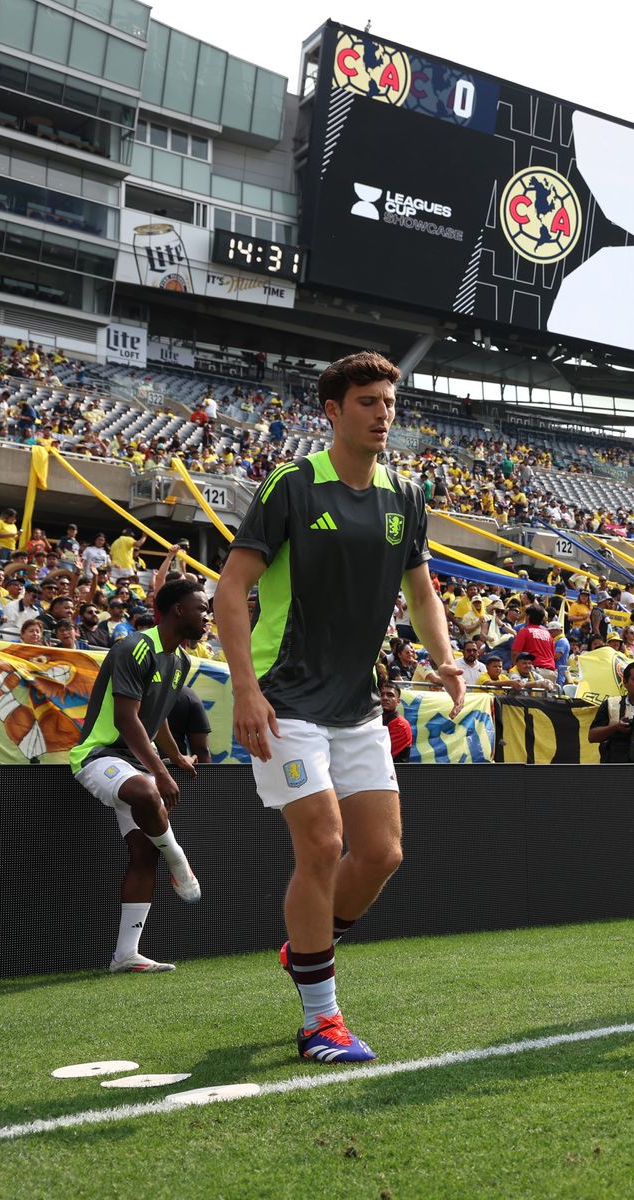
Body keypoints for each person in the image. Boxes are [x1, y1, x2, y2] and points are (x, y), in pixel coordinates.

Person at [215, 350, 465, 1065]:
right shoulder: (293, 485)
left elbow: (422, 592)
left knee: (382, 854)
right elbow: (232, 590)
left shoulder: (405, 495)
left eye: (389, 403)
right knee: (323, 845)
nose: (383, 414)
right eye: (368, 403)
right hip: (285, 694)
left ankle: (307, 947)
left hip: (355, 705)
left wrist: (445, 657)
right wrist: (245, 688)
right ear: (334, 411)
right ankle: (320, 1020)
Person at [67, 577, 209, 973]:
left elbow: (156, 716)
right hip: (98, 756)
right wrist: (162, 773)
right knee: (148, 791)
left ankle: (125, 956)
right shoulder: (133, 646)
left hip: (137, 762)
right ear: (178, 610)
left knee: (143, 852)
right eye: (201, 609)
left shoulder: (180, 661)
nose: (206, 618)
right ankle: (178, 859)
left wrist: (176, 756)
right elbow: (127, 721)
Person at [380, 678, 413, 764]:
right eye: (381, 695)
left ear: (398, 701)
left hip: (396, 774)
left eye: (390, 695)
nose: (385, 698)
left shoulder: (401, 725)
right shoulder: (375, 720)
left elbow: (381, 753)